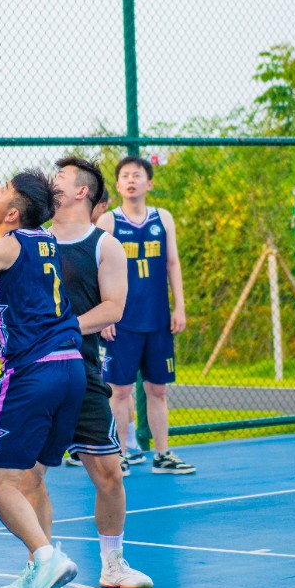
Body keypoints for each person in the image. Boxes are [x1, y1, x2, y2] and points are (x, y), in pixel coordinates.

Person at [0, 149, 153, 588]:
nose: (53, 180)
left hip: (79, 367)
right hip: (42, 365)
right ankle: (38, 568)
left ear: (82, 191)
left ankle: (113, 563)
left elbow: (114, 308)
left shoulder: (103, 244)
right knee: (25, 474)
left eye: (63, 177)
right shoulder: (33, 233)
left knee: (108, 473)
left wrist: (61, 328)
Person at [98, 155, 195, 474]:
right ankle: (120, 454)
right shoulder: (109, 222)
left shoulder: (163, 218)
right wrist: (104, 314)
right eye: (125, 175)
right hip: (122, 321)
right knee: (119, 391)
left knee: (158, 389)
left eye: (137, 175)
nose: (131, 180)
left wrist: (179, 306)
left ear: (149, 183)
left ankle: (162, 454)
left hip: (157, 319)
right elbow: (95, 269)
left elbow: (172, 263)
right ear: (117, 185)